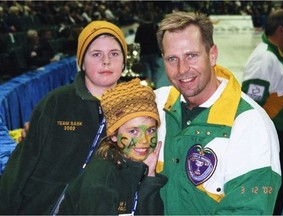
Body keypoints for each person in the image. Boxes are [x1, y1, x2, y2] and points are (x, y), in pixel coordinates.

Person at [154, 11, 281, 215]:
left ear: (212, 54)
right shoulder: (157, 103)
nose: (182, 69)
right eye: (172, 59)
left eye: (191, 56)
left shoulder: (249, 124)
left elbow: (247, 210)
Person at [0, 20, 127, 214]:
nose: (106, 61)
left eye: (114, 54)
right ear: (81, 62)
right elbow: (21, 166)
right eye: (96, 54)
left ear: (124, 61)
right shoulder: (56, 103)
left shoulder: (135, 110)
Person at [58, 78, 167, 215]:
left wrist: (150, 177)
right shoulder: (101, 183)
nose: (144, 140)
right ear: (114, 136)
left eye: (151, 130)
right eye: (133, 131)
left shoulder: (138, 165)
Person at [241, 9, 283, 215]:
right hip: (276, 135)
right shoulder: (264, 59)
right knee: (277, 184)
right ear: (281, 30)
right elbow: (251, 102)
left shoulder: (275, 54)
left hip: (281, 132)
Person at [134, 11, 169, 88]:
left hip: (143, 53)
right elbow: (159, 39)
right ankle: (154, 84)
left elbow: (136, 41)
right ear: (152, 18)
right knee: (155, 70)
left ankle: (147, 85)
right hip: (153, 53)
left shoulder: (140, 28)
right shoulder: (155, 27)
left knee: (145, 71)